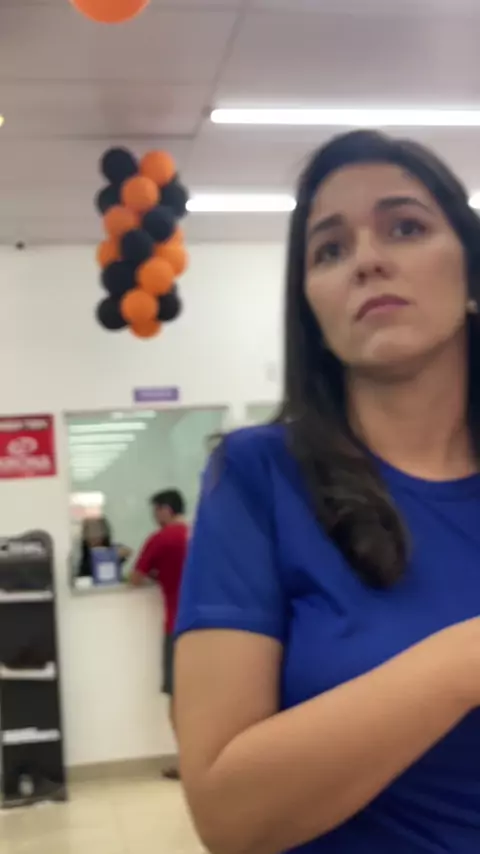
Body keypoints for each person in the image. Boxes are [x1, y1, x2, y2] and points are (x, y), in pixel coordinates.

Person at [174, 130, 480, 853]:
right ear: (311, 309)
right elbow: (227, 816)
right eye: (330, 250)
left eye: (405, 228)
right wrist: (463, 664)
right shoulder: (257, 478)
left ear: (471, 275)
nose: (367, 260)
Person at [129, 489, 188, 778]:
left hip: (177, 627)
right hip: (209, 628)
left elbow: (134, 578)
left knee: (178, 696)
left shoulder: (161, 539)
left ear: (165, 509)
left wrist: (156, 574)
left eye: (155, 511)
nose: (154, 517)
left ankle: (187, 762)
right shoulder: (198, 534)